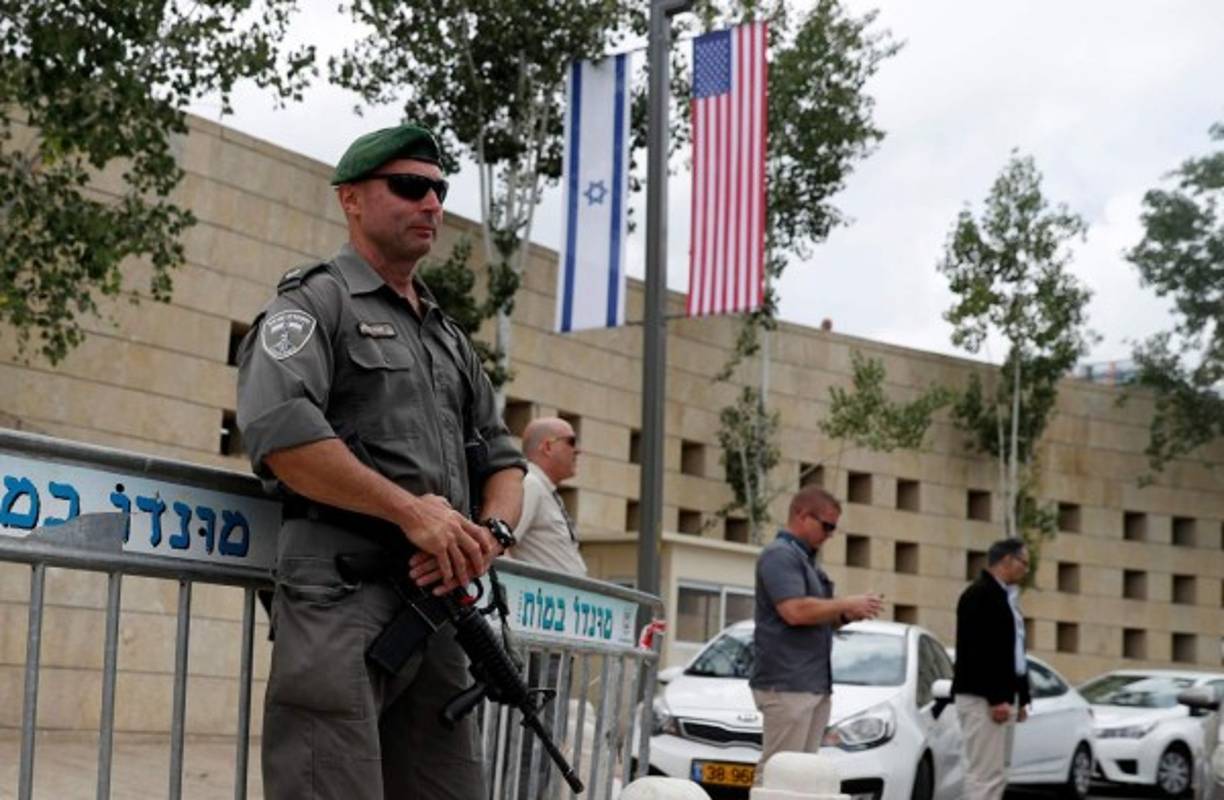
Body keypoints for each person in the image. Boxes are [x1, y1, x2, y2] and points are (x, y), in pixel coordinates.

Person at [236, 123, 526, 800]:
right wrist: (411, 511)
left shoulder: (446, 336)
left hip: (438, 603)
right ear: (352, 199)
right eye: (409, 186)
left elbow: (504, 459)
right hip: (340, 597)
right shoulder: (314, 304)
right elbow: (282, 434)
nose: (432, 204)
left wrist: (490, 536)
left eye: (439, 190)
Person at [749, 486, 883, 781]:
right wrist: (846, 603)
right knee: (778, 773)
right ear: (801, 516)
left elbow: (813, 617)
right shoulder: (780, 555)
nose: (831, 534)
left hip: (809, 683)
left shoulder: (804, 559)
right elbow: (794, 611)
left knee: (802, 776)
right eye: (827, 525)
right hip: (788, 684)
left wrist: (846, 614)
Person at [952, 537, 1032, 800]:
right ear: (1006, 560)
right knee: (983, 774)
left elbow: (1015, 654)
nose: (1026, 570)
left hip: (1002, 697)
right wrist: (997, 697)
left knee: (998, 774)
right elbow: (977, 652)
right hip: (983, 699)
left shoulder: (1006, 598)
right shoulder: (979, 595)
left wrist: (1021, 697)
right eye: (1024, 562)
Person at [508, 416, 586, 575]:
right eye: (571, 442)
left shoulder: (543, 488)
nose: (578, 450)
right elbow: (501, 545)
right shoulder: (530, 484)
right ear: (547, 447)